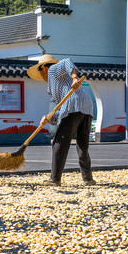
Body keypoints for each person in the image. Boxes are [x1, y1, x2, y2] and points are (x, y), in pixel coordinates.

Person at [27, 54, 96, 186]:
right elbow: (60, 110)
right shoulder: (53, 87)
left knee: (59, 142)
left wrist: (75, 78)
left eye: (40, 72)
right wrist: (49, 118)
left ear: (43, 68)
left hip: (73, 105)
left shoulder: (52, 70)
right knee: (82, 145)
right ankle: (88, 179)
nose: (41, 76)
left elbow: (66, 62)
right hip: (86, 107)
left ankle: (55, 179)